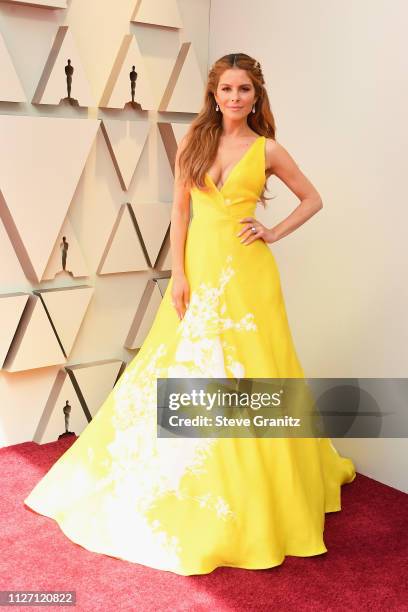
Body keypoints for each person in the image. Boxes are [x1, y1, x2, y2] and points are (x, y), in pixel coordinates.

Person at [24, 52, 356, 576]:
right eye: (226, 89)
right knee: (181, 364)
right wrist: (177, 273)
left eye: (244, 90)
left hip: (250, 276)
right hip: (199, 268)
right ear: (214, 93)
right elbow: (180, 211)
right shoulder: (195, 142)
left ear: (256, 95)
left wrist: (272, 231)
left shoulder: (268, 149)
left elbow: (312, 199)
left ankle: (262, 484)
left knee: (256, 371)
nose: (234, 98)